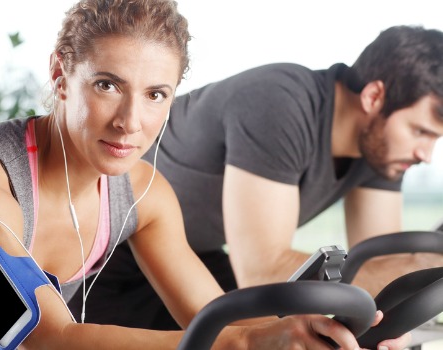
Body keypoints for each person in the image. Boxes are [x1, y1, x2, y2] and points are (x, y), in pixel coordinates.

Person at [0, 0, 409, 349]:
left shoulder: (145, 199)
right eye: (108, 85)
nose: (131, 121)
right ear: (60, 73)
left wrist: (300, 336)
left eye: (156, 94)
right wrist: (249, 340)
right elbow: (38, 338)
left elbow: (223, 329)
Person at [69, 24, 443, 333]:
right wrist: (418, 267)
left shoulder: (381, 150)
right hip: (107, 258)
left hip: (195, 254)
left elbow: (382, 269)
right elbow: (264, 269)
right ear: (375, 96)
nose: (425, 154)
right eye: (420, 132)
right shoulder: (281, 102)